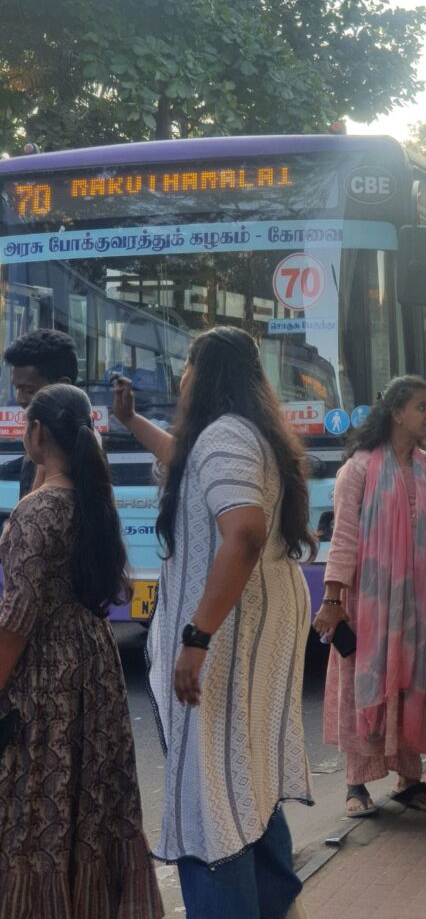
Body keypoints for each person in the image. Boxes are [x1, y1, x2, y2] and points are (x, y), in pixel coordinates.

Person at [114, 327, 314, 919]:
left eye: (187, 368)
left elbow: (243, 531)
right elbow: (189, 462)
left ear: (203, 374)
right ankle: (276, 904)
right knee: (244, 776)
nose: (181, 379)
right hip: (252, 633)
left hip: (225, 640)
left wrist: (196, 636)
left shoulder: (224, 435)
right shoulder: (242, 434)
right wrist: (131, 422)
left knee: (208, 796)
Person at [0, 384, 162, 916]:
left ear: (37, 433)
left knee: (36, 805)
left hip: (44, 673)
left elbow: (17, 619)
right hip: (94, 662)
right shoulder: (94, 500)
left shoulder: (36, 512)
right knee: (90, 803)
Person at [313, 376, 426, 818]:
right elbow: (343, 538)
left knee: (413, 686)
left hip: (421, 604)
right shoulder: (358, 469)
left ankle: (410, 781)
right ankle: (356, 784)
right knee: (365, 686)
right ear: (396, 413)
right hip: (370, 605)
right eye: (421, 407)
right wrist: (333, 600)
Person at [1, 329, 78, 496]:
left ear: (63, 385)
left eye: (29, 390)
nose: (20, 399)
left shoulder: (75, 447)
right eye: (17, 389)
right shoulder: (39, 441)